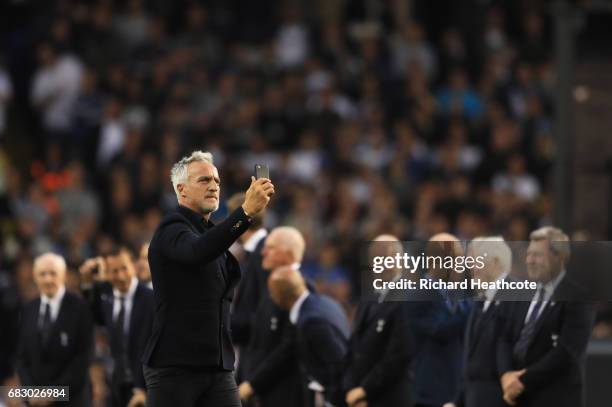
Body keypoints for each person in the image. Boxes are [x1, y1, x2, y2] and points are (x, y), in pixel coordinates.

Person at [141, 150, 274, 407]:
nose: (213, 186)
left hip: (218, 367)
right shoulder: (171, 229)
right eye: (204, 180)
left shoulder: (210, 234)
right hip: (175, 368)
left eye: (217, 181)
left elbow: (209, 245)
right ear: (181, 189)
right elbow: (198, 251)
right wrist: (245, 212)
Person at [497, 226, 595, 407]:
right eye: (529, 255)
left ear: (560, 257)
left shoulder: (577, 297)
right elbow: (504, 337)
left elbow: (567, 353)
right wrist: (505, 375)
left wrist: (522, 380)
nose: (530, 261)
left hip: (554, 398)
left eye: (537, 255)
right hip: (516, 397)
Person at [238, 226, 307, 407]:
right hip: (257, 393)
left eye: (270, 247)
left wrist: (254, 384)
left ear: (288, 253)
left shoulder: (300, 291)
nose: (263, 252)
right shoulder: (270, 290)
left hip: (283, 395)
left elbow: (288, 348)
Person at [444, 236, 516, 407]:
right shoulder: (479, 303)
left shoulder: (516, 298)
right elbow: (472, 362)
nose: (470, 268)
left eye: (475, 261)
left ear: (496, 262)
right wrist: (457, 402)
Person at [343, 234, 413, 407]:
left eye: (385, 258)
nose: (378, 264)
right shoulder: (369, 297)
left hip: (391, 398)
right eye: (374, 258)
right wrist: (350, 387)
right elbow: (354, 347)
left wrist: (365, 390)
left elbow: (398, 355)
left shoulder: (408, 299)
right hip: (359, 398)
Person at [16, 252, 94, 407]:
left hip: (72, 400)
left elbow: (83, 358)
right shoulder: (28, 309)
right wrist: (31, 392)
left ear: (64, 275)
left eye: (53, 273)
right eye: (42, 274)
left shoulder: (80, 307)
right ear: (35, 276)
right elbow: (22, 358)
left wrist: (52, 394)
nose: (47, 279)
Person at [79, 247, 154, 407]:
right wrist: (87, 283)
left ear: (133, 266)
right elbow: (93, 318)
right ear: (107, 273)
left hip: (146, 386)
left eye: (124, 269)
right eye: (114, 271)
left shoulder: (150, 298)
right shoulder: (108, 297)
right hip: (118, 385)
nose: (120, 276)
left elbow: (150, 345)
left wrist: (142, 387)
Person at [268, 266, 350, 407]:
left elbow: (339, 362)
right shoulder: (325, 302)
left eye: (272, 292)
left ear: (279, 295)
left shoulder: (311, 322)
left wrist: (332, 400)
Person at [408, 233, 472, 407]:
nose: (462, 266)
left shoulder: (460, 296)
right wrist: (474, 307)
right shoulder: (417, 295)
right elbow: (440, 330)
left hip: (459, 393)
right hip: (431, 395)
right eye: (456, 260)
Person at [226, 192, 268, 379]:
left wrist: (222, 322)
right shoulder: (252, 255)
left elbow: (265, 315)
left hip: (260, 361)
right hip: (250, 357)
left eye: (232, 218)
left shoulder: (265, 253)